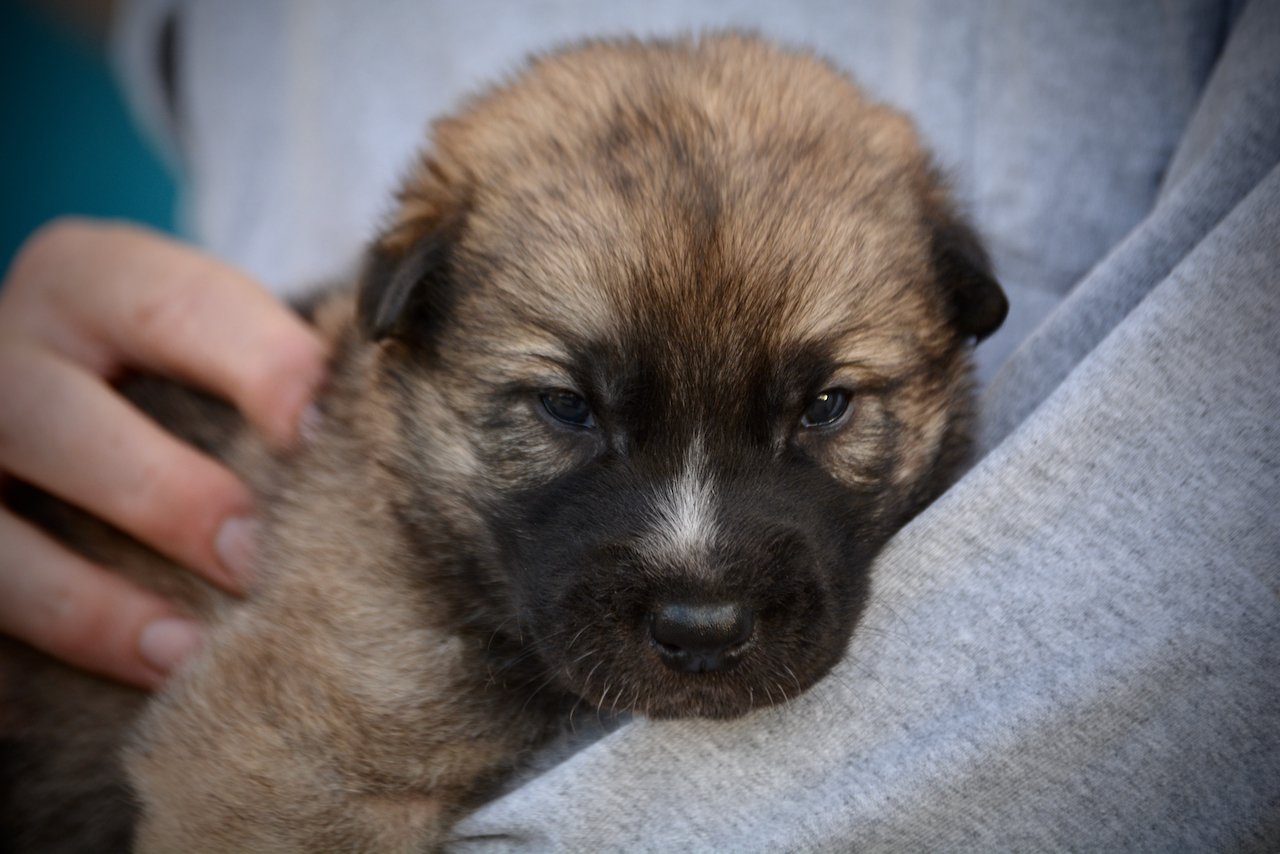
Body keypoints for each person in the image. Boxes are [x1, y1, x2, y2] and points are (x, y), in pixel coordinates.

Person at [2, 0, 1276, 848]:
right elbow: (241, 802)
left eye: (824, 406)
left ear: (953, 318)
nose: (699, 583)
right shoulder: (384, 612)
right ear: (403, 333)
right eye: (564, 408)